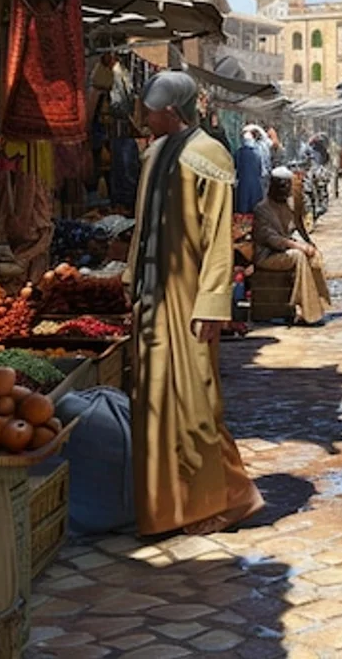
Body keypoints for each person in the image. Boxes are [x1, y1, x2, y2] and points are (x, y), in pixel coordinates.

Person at [126, 71, 263, 536]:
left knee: (195, 403)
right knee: (153, 405)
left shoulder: (209, 155)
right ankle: (167, 508)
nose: (144, 117)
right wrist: (131, 281)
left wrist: (212, 303)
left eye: (151, 110)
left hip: (188, 302)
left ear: (172, 110)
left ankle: (226, 499)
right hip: (150, 299)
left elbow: (218, 239)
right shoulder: (153, 154)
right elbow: (142, 224)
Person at [252, 168, 333, 325]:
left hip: (284, 251)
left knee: (314, 256)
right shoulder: (262, 209)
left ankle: (319, 304)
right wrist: (298, 246)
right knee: (299, 256)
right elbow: (271, 238)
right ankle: (306, 310)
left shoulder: (286, 208)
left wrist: (308, 244)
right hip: (267, 255)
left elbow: (295, 227)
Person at [234, 125, 270, 215]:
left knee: (243, 210)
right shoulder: (260, 150)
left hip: (244, 185)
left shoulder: (239, 152)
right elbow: (264, 168)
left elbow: (235, 168)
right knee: (257, 210)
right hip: (257, 184)